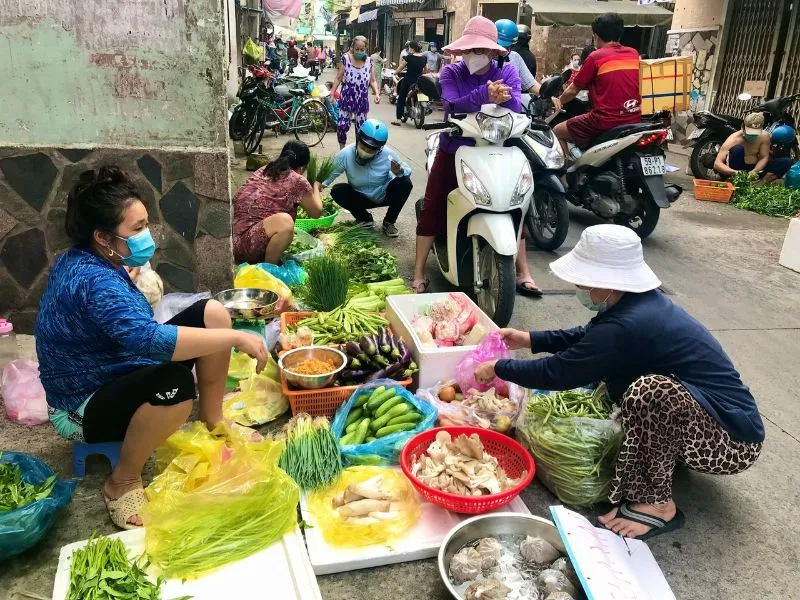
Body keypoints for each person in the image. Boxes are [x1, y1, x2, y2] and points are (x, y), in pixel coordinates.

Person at [474, 224, 763, 540]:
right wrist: (530, 339)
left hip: (731, 441)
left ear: (605, 281)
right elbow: (589, 338)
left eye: (583, 279)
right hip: (707, 420)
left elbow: (560, 372)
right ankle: (662, 462)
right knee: (628, 387)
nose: (577, 286)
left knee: (649, 392)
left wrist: (500, 368)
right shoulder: (635, 304)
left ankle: (658, 505)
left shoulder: (630, 322)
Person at [35, 167, 269, 529]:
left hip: (117, 367)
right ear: (102, 236)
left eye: (146, 225)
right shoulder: (94, 280)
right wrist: (238, 338)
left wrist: (226, 332)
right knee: (175, 389)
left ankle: (215, 418)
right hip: (80, 404)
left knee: (214, 314)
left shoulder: (93, 257)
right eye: (137, 229)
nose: (148, 237)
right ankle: (122, 481)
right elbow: (151, 341)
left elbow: (130, 329)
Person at [412, 16, 541, 296]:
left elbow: (517, 106)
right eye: (469, 50)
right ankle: (419, 271)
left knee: (514, 204)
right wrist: (485, 93)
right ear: (461, 52)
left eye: (480, 50)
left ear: (494, 52)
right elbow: (452, 104)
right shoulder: (451, 74)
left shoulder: (507, 73)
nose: (474, 56)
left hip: (498, 149)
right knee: (433, 204)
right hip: (454, 147)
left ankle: (523, 271)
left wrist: (502, 96)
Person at [553, 13, 641, 154]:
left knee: (557, 131)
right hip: (634, 118)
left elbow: (573, 90)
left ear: (596, 36)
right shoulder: (633, 54)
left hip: (603, 121)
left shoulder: (596, 57)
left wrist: (557, 102)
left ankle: (565, 172)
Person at [233, 141, 322, 264]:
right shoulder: (297, 180)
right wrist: (316, 187)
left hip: (233, 241)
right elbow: (316, 212)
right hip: (246, 248)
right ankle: (270, 270)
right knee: (285, 223)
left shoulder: (266, 169)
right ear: (302, 168)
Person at [322, 119, 412, 237]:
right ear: (358, 139)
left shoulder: (388, 155)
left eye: (371, 150)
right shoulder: (345, 154)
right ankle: (365, 219)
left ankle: (389, 221)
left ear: (380, 148)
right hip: (360, 198)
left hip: (383, 195)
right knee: (337, 190)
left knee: (405, 182)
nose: (365, 152)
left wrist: (399, 171)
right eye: (363, 146)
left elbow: (407, 170)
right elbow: (326, 177)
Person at [330, 36, 380, 149]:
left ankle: (358, 152)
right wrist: (332, 93)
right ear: (352, 47)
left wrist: (376, 93)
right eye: (357, 49)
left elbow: (372, 80)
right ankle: (342, 150)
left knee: (361, 129)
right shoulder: (346, 59)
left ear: (366, 48)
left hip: (361, 100)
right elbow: (338, 77)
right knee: (342, 126)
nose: (359, 52)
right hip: (346, 98)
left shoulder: (369, 62)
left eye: (362, 50)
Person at [713, 112, 792, 183]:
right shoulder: (733, 140)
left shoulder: (765, 136)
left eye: (755, 134)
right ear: (742, 128)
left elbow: (764, 157)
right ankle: (737, 181)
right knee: (737, 149)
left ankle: (761, 183)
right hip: (736, 169)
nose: (752, 136)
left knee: (786, 161)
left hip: (756, 169)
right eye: (750, 133)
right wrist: (736, 173)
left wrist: (754, 171)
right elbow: (717, 164)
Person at [495, 19, 540, 107]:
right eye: (500, 46)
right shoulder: (482, 58)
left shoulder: (515, 58)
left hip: (509, 112)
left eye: (508, 47)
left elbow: (531, 83)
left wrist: (548, 95)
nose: (504, 50)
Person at [392, 41, 427, 126]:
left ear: (412, 48)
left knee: (401, 97)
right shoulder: (424, 58)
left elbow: (401, 67)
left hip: (408, 81)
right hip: (419, 81)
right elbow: (426, 69)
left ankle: (398, 119)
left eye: (410, 47)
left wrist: (395, 73)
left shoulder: (409, 57)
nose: (409, 49)